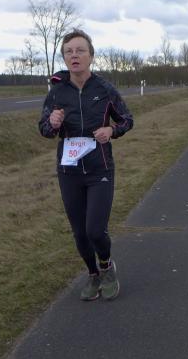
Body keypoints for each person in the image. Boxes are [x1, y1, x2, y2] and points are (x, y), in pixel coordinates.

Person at [38, 28, 134, 301]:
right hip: (69, 171)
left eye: (80, 50)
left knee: (95, 230)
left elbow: (127, 120)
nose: (74, 55)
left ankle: (106, 266)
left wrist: (111, 131)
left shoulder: (104, 90)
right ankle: (93, 274)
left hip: (99, 168)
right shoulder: (57, 92)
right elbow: (44, 129)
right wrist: (52, 123)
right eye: (69, 52)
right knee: (80, 233)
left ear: (91, 56)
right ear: (64, 58)